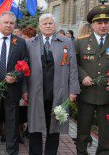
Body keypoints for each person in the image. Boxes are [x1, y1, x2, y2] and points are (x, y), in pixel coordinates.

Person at [23, 13, 80, 155]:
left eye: (50, 23)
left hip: (58, 91)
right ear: (39, 26)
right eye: (45, 23)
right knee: (35, 126)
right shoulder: (30, 43)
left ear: (55, 25)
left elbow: (73, 68)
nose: (48, 26)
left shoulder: (66, 42)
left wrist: (73, 90)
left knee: (54, 126)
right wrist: (24, 90)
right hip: (36, 91)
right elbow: (24, 68)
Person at [0, 12, 29, 155]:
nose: (8, 25)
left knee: (12, 122)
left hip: (12, 90)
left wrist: (16, 77)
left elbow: (26, 64)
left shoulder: (20, 42)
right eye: (5, 22)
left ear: (14, 25)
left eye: (11, 23)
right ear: (0, 23)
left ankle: (12, 150)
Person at [75, 5, 109, 155]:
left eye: (106, 22)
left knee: (106, 132)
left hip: (106, 95)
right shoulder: (80, 42)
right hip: (86, 94)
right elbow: (75, 65)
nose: (103, 26)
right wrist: (83, 76)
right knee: (83, 130)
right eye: (99, 23)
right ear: (92, 25)